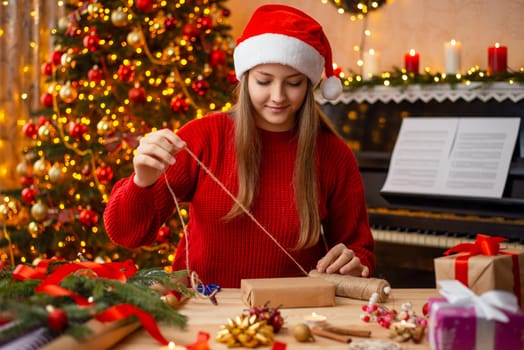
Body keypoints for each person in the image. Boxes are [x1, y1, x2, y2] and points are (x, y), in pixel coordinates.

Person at [104, 4, 375, 288]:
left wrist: (354, 263)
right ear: (245, 79)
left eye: (293, 83)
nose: (278, 96)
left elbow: (360, 252)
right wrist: (142, 181)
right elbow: (127, 235)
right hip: (206, 312)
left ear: (309, 85)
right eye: (264, 81)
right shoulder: (204, 137)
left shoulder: (333, 154)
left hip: (298, 316)